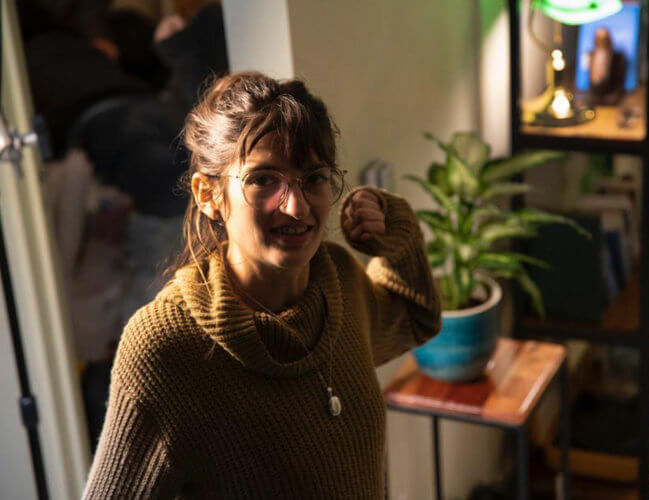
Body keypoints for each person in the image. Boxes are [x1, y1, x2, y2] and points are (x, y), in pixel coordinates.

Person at [82, 71, 443, 498]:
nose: (296, 208)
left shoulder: (339, 279)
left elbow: (416, 317)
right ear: (208, 195)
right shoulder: (165, 346)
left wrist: (396, 232)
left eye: (314, 178)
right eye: (263, 180)